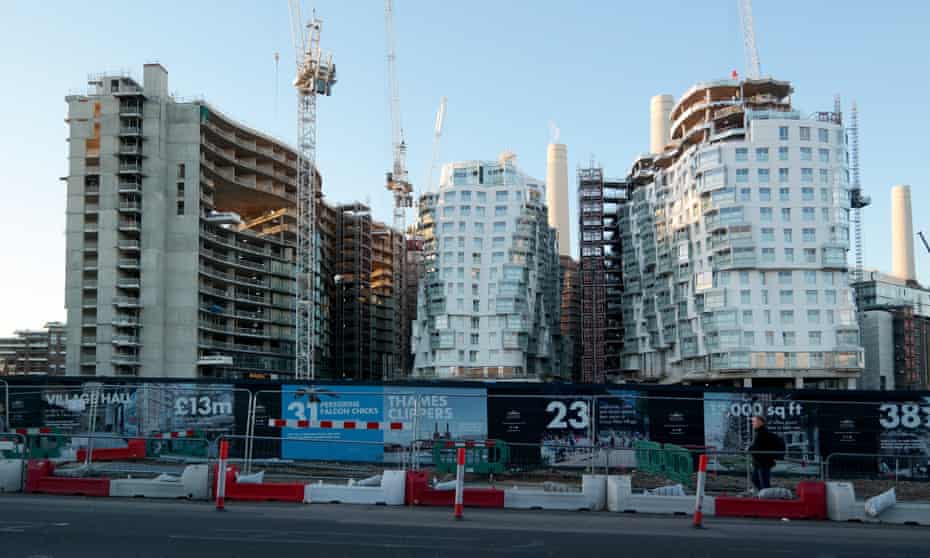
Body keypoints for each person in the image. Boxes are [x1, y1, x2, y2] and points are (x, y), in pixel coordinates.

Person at [748, 415, 784, 492]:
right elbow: (759, 446)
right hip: (759, 462)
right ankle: (763, 494)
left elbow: (759, 446)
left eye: (754, 421)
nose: (752, 423)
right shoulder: (760, 433)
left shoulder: (762, 433)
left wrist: (750, 448)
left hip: (763, 463)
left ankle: (766, 497)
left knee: (763, 483)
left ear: (760, 422)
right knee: (756, 480)